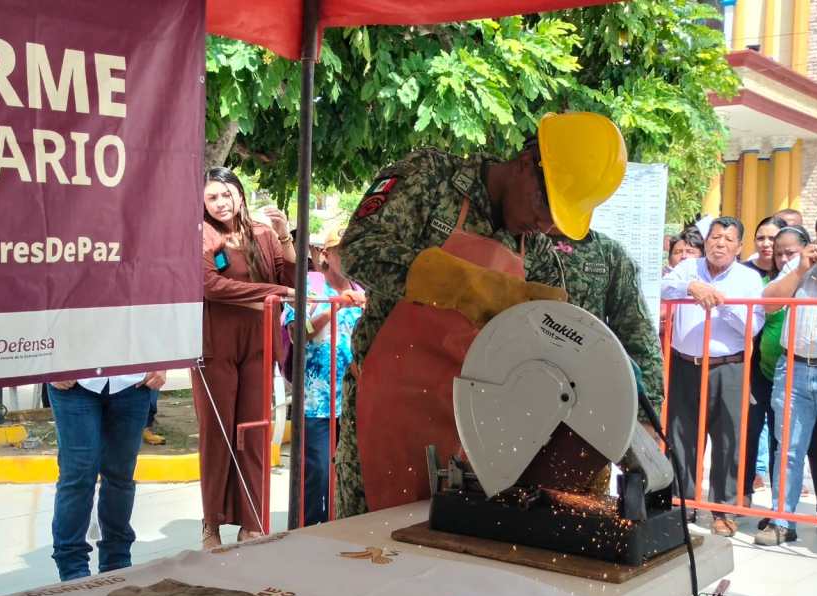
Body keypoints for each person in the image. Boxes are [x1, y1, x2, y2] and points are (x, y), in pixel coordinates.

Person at [337, 112, 627, 517]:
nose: (545, 224)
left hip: (470, 429)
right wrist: (463, 285)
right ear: (526, 163)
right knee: (364, 543)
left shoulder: (538, 252)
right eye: (547, 204)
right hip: (383, 412)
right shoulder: (430, 179)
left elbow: (555, 350)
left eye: (558, 219)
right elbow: (357, 249)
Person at [194, 167, 295, 548]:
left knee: (254, 433)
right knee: (217, 434)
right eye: (212, 198)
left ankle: (252, 520)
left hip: (258, 344)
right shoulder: (202, 235)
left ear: (239, 193)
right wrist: (271, 294)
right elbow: (211, 285)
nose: (221, 203)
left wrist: (285, 236)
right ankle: (212, 523)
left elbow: (294, 281)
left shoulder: (262, 234)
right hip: (214, 345)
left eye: (226, 194)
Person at [661, 217, 765, 537]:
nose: (720, 244)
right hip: (684, 364)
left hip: (728, 367)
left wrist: (723, 302)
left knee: (728, 439)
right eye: (715, 237)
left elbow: (753, 326)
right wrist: (691, 287)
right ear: (706, 241)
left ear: (739, 247)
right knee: (681, 437)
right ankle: (683, 503)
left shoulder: (748, 278)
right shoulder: (688, 268)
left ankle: (724, 510)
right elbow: (662, 287)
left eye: (728, 239)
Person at [48, 370, 166, 581]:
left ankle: (117, 563)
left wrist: (162, 365)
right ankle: (73, 571)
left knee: (121, 476)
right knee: (78, 476)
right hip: (74, 383)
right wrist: (48, 368)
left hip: (132, 382)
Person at [283, 226, 365, 525]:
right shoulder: (309, 287)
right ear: (327, 254)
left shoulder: (362, 291)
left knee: (345, 472)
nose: (350, 257)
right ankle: (306, 529)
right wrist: (335, 307)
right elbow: (298, 332)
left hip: (353, 400)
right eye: (343, 251)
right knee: (317, 471)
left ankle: (338, 526)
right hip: (316, 402)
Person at [757, 217, 817, 544]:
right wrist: (800, 271)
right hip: (793, 367)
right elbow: (769, 302)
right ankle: (781, 521)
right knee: (787, 448)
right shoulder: (800, 263)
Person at [540, 229, 664, 412]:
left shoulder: (607, 251)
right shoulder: (511, 240)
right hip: (518, 381)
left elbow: (638, 334)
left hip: (584, 395)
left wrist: (645, 413)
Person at [741, 216, 787, 496]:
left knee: (780, 437)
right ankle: (743, 492)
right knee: (749, 429)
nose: (767, 244)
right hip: (754, 365)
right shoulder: (745, 272)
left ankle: (779, 504)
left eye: (773, 238)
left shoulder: (795, 277)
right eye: (761, 237)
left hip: (788, 369)